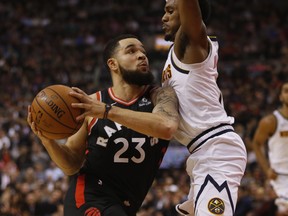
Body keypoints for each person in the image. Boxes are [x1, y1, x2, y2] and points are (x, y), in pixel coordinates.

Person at [27, 34, 180, 216]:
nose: (141, 55)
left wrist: (106, 112)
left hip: (126, 205)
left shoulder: (161, 96)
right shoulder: (91, 104)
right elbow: (71, 165)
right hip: (89, 197)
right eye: (131, 51)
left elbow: (167, 127)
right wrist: (47, 140)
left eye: (143, 51)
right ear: (112, 64)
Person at [160, 0, 247, 215]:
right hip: (201, 153)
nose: (164, 17)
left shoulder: (192, 44)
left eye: (171, 11)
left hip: (216, 150)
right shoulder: (175, 56)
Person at [252, 81, 288, 216]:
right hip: (280, 177)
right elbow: (256, 144)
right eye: (286, 91)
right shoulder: (270, 121)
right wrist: (267, 169)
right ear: (280, 97)